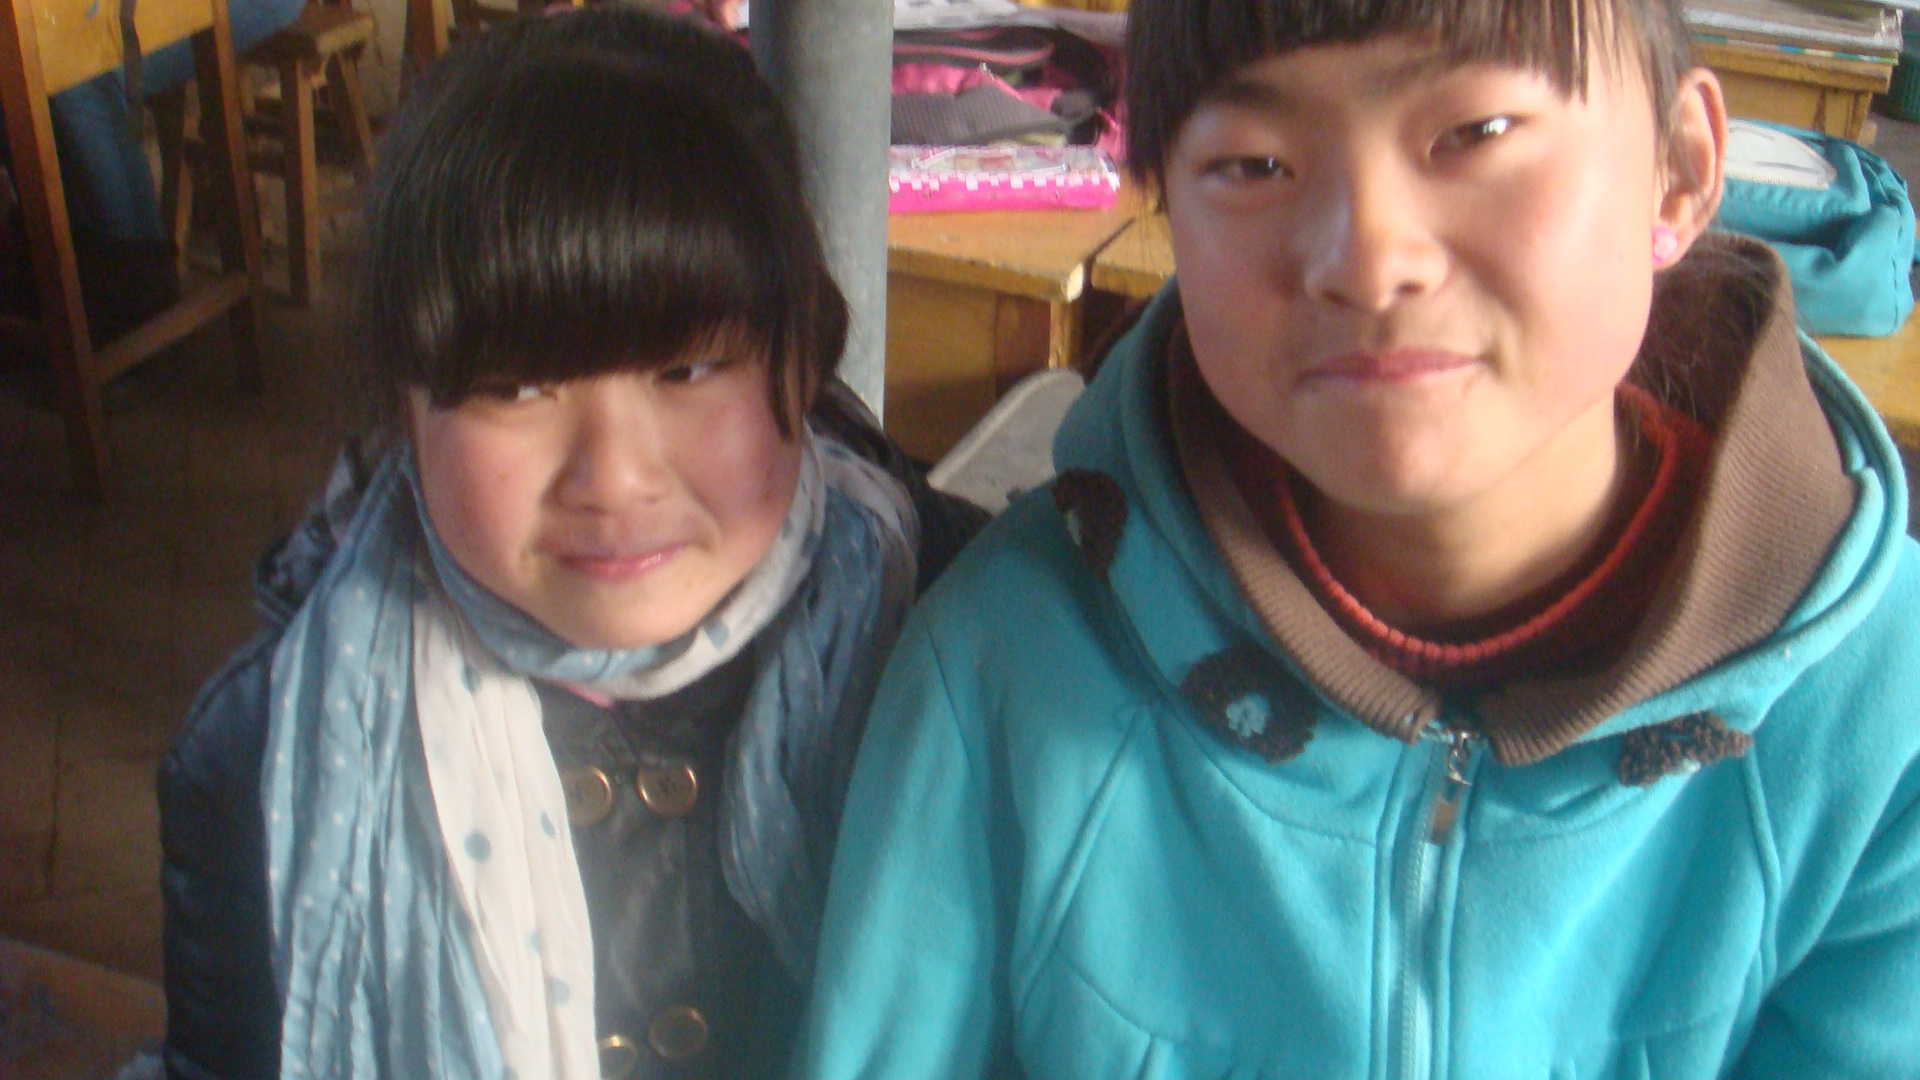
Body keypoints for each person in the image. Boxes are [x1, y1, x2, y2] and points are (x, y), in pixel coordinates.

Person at [795, 0, 1920, 1075]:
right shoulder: (1004, 666)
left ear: (1679, 169)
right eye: (1253, 165)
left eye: (1476, 133)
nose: (1367, 259)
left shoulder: (1881, 728)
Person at [158, 8, 984, 1078]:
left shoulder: (972, 645)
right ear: (405, 408)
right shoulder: (269, 753)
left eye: (688, 369)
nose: (614, 476)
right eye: (516, 386)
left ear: (803, 355)